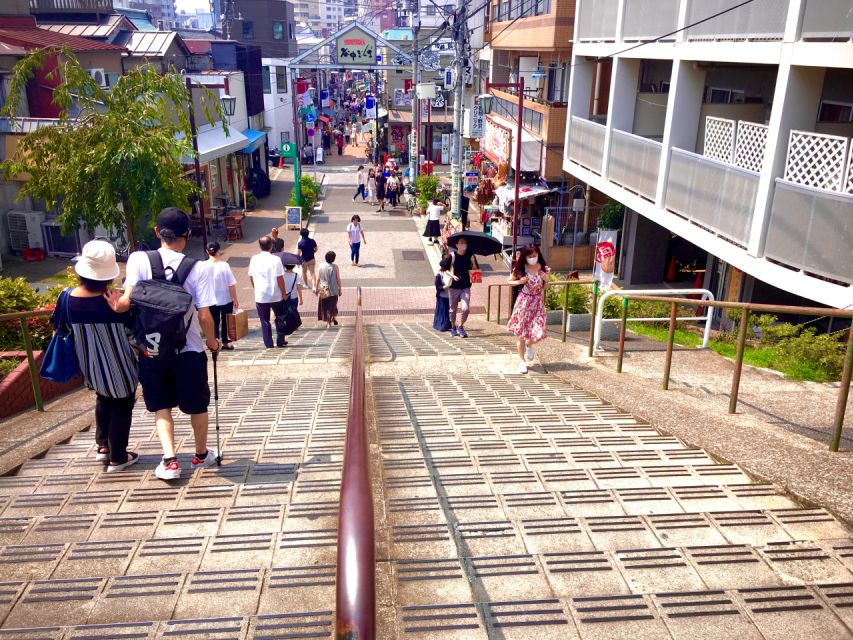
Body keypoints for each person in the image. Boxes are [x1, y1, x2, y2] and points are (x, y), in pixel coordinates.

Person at [112, 207, 220, 481]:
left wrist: (113, 302)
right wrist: (212, 341)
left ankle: (170, 461)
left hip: (152, 348)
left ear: (157, 232)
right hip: (189, 349)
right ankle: (200, 455)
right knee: (198, 405)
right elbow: (204, 315)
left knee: (161, 405)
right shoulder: (199, 268)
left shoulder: (139, 259)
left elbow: (125, 302)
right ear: (188, 234)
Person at [67, 240, 139, 472]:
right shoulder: (114, 302)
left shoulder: (67, 298)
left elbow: (62, 328)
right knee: (121, 403)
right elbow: (133, 332)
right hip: (120, 365)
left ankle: (103, 447)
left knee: (103, 397)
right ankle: (118, 457)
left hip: (90, 365)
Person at [507, 244, 549, 373]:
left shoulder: (542, 268)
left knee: (538, 329)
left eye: (534, 256)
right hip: (524, 302)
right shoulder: (521, 269)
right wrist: (519, 281)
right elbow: (509, 281)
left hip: (537, 302)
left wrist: (546, 280)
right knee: (521, 334)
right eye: (530, 256)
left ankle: (529, 344)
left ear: (538, 255)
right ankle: (522, 361)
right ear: (525, 257)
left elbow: (545, 287)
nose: (532, 258)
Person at [248, 235, 288, 349]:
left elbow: (251, 276)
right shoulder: (276, 259)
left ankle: (268, 343)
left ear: (260, 246)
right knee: (279, 317)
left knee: (264, 320)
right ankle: (280, 340)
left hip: (261, 295)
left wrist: (256, 288)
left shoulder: (254, 259)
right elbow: (280, 278)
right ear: (271, 246)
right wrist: (284, 293)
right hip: (275, 294)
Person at [205, 241, 239, 351]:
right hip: (226, 298)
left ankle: (214, 343)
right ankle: (225, 342)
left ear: (207, 252)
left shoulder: (202, 266)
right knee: (225, 321)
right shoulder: (224, 266)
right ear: (219, 251)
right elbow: (231, 284)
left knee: (213, 322)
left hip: (210, 299)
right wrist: (235, 299)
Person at [448, 237, 474, 338]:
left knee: (466, 308)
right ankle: (453, 327)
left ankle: (461, 326)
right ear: (457, 245)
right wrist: (453, 276)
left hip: (465, 286)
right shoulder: (452, 256)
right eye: (461, 243)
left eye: (465, 242)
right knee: (452, 309)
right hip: (454, 286)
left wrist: (473, 262)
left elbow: (475, 270)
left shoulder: (470, 255)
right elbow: (444, 269)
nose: (463, 244)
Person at [315, 250, 342, 328]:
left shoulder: (320, 266)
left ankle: (329, 321)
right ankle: (331, 319)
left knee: (325, 306)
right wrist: (340, 289)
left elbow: (318, 278)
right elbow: (338, 279)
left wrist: (316, 288)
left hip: (323, 289)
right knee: (333, 305)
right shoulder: (335, 267)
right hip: (334, 289)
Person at [282, 262, 304, 341]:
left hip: (284, 297)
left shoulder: (282, 275)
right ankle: (295, 325)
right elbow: (298, 287)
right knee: (293, 310)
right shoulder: (296, 275)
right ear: (294, 266)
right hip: (294, 297)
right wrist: (301, 298)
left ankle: (289, 325)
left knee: (286, 311)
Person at [433, 255, 453, 332]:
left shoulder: (451, 273)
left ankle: (447, 324)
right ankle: (441, 325)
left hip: (450, 296)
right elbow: (438, 287)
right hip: (442, 296)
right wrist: (446, 286)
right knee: (443, 311)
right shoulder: (439, 275)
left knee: (448, 311)